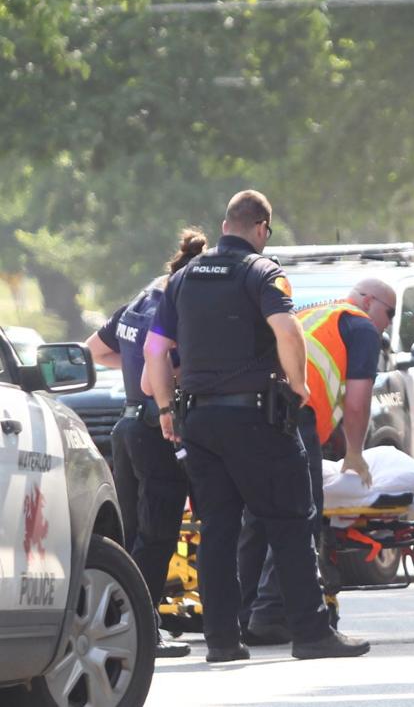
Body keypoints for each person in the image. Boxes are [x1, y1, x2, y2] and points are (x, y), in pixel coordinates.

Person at [143, 189, 369, 663]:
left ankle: (223, 642)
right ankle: (312, 633)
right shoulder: (262, 272)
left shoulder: (181, 279)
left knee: (219, 529)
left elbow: (155, 351)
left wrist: (166, 409)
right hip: (255, 419)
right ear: (261, 229)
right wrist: (300, 387)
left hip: (198, 421)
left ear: (226, 225)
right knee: (290, 521)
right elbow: (288, 331)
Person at [237, 278, 392, 644]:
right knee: (297, 515)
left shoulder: (310, 314)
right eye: (390, 312)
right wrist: (354, 452)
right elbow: (358, 400)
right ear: (369, 302)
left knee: (258, 517)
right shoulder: (360, 326)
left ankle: (244, 615)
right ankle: (271, 614)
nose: (388, 323)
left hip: (258, 416)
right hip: (294, 419)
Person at [83, 227, 208, 658]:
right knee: (157, 535)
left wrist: (136, 363)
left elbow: (94, 351)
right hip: (158, 431)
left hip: (127, 427)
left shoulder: (138, 302)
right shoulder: (177, 308)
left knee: (132, 533)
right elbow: (151, 374)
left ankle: (128, 626)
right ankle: (142, 629)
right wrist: (169, 377)